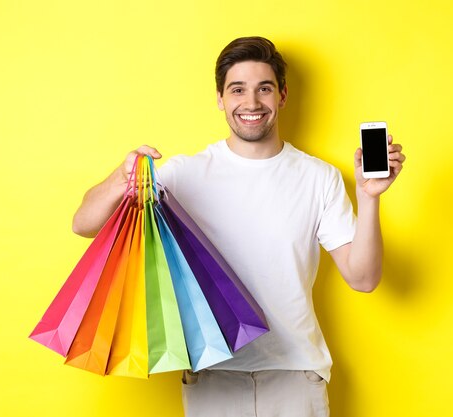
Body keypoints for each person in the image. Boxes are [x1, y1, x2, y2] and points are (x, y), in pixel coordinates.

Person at [72, 36, 405, 417]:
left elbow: (363, 278)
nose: (251, 103)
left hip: (295, 374)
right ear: (220, 98)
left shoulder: (318, 177)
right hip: (213, 374)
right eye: (237, 90)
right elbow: (84, 224)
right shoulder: (184, 175)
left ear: (282, 95)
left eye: (264, 88)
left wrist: (370, 196)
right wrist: (122, 176)